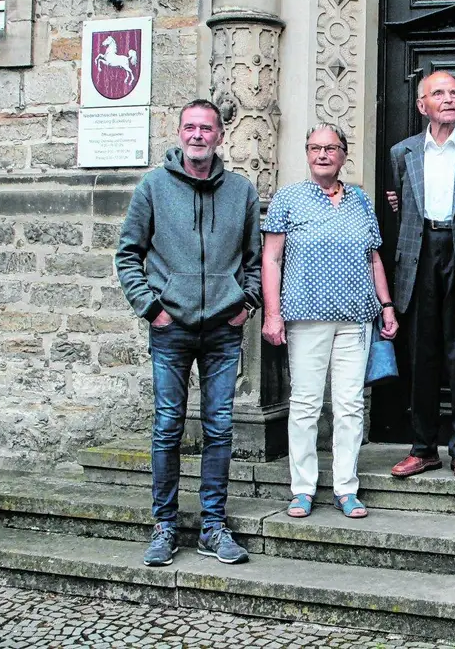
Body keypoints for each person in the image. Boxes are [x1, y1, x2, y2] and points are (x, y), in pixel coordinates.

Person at [115, 99, 263, 567]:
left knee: (220, 428)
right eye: (190, 127)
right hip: (171, 327)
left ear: (220, 135)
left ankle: (213, 527)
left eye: (207, 128)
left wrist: (246, 304)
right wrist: (151, 308)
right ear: (180, 133)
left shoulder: (241, 191)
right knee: (167, 427)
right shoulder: (154, 187)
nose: (198, 135)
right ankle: (164, 525)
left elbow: (256, 260)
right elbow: (127, 254)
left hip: (222, 328)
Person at [260, 124, 399, 520]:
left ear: (343, 154)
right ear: (307, 153)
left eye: (331, 148)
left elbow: (374, 258)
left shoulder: (359, 199)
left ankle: (346, 488)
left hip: (356, 317)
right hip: (306, 316)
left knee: (350, 405)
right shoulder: (289, 198)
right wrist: (273, 314)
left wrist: (386, 305)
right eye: (315, 148)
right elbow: (270, 260)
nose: (323, 154)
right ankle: (302, 489)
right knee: (305, 404)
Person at [384, 71, 455, 480]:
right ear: (422, 105)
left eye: (454, 93)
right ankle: (422, 448)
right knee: (422, 357)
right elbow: (400, 209)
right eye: (438, 93)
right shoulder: (403, 152)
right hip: (419, 256)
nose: (448, 99)